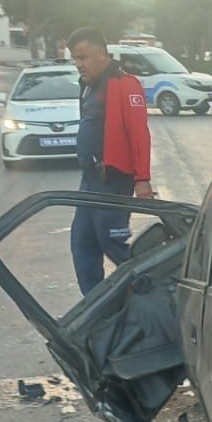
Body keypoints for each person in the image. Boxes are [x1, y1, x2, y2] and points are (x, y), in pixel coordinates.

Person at [67, 28, 155, 296]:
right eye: (75, 59)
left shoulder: (125, 84)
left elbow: (139, 134)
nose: (79, 64)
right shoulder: (90, 87)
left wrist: (142, 179)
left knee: (113, 243)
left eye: (83, 57)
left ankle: (153, 291)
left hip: (113, 180)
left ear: (102, 55)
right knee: (82, 243)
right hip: (91, 180)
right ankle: (96, 310)